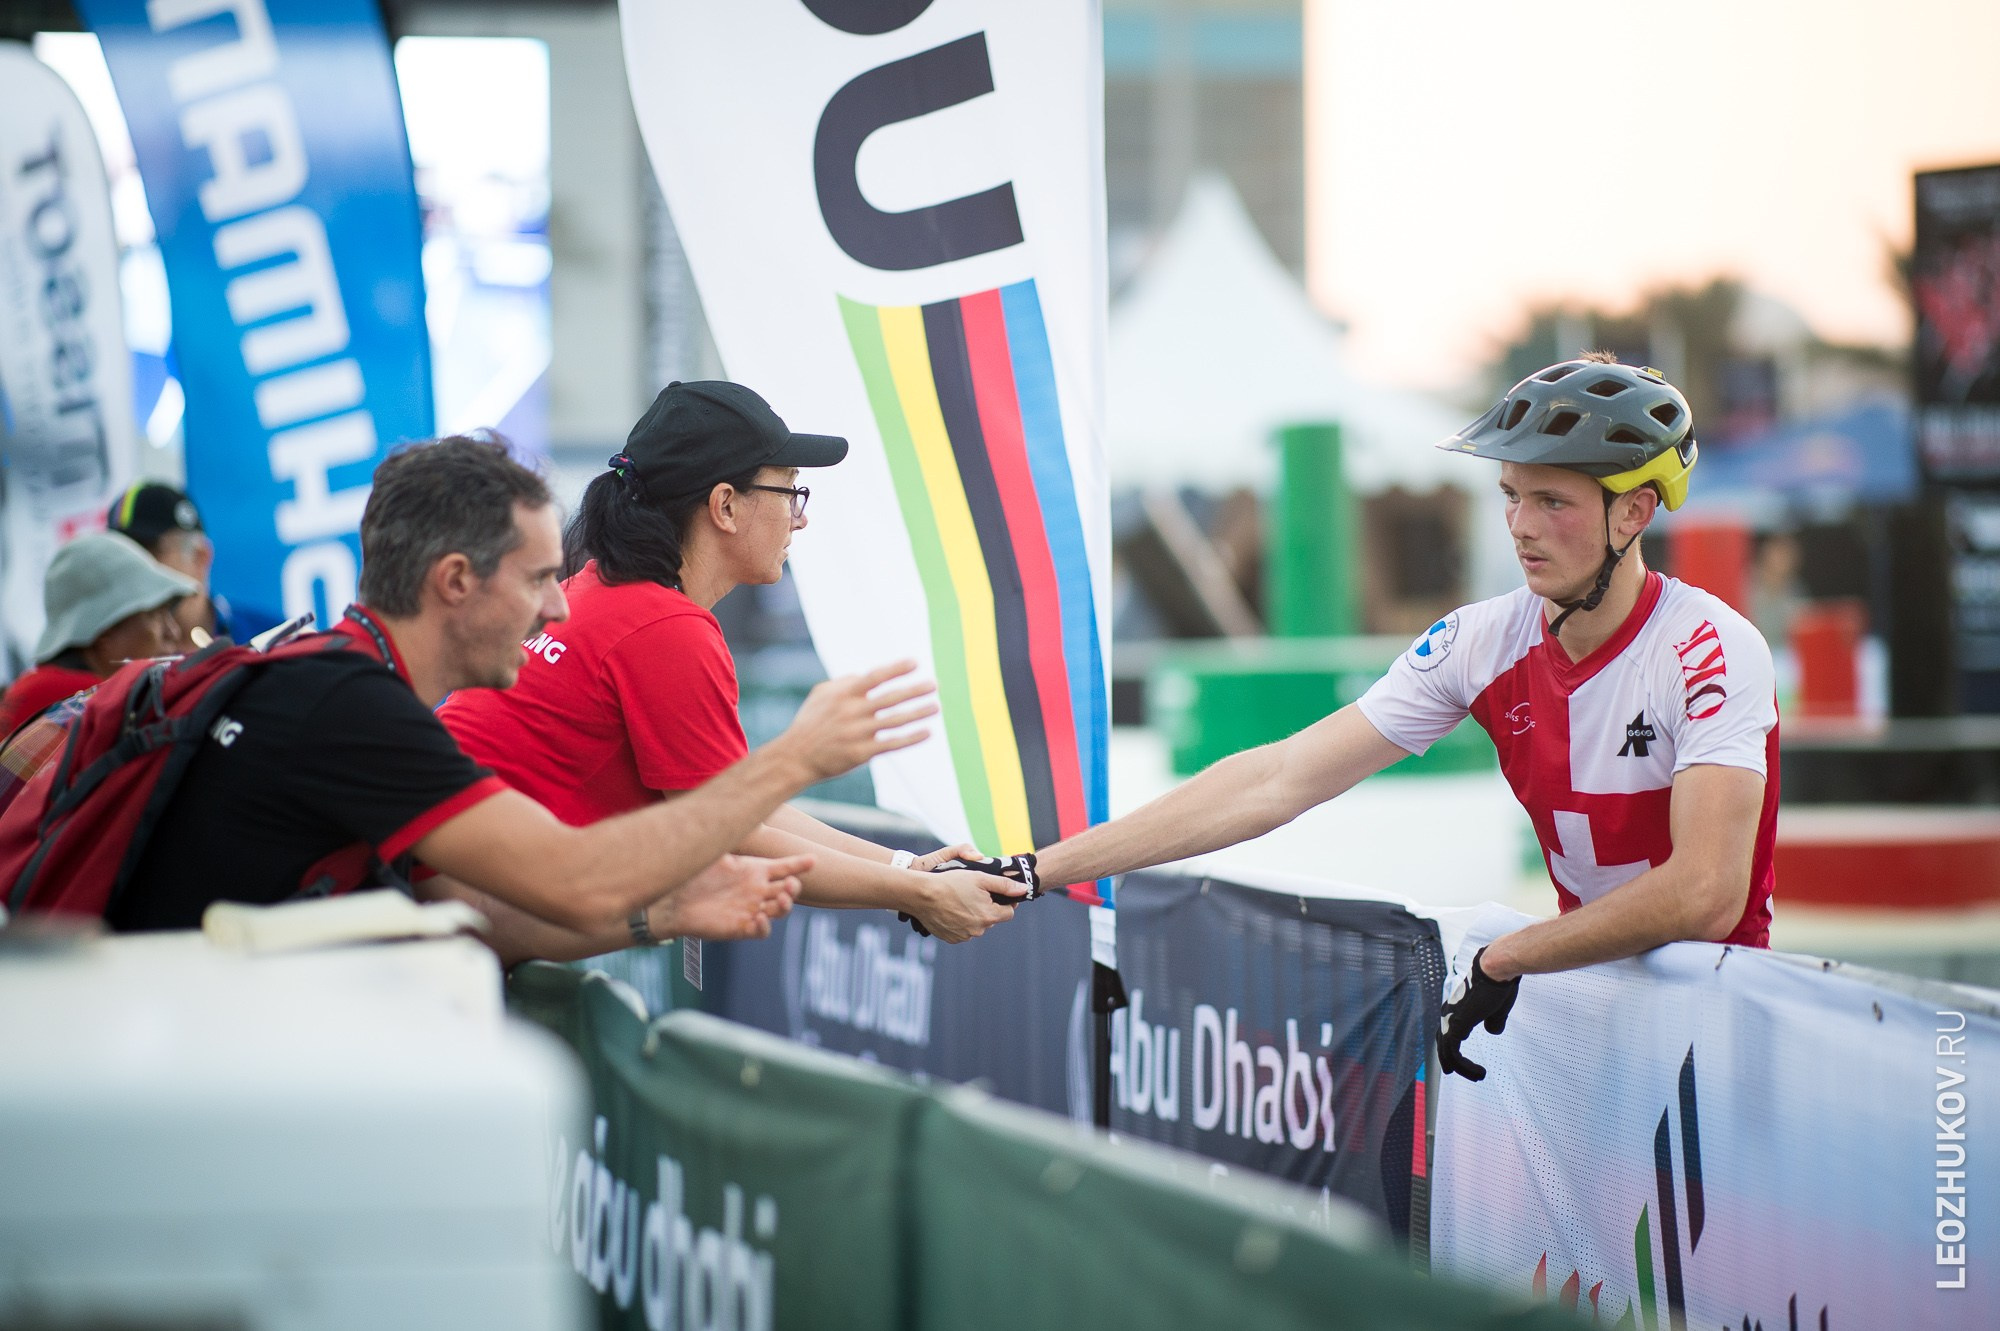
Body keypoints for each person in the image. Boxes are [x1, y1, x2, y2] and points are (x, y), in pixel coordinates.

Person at [1031, 355, 1779, 1081]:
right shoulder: (1481, 640)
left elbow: (1706, 894)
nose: (1520, 525)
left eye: (1553, 502)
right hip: (1593, 1013)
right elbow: (1276, 779)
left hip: (1721, 1030)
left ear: (1635, 512)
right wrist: (1039, 867)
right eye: (1510, 494)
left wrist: (1509, 954)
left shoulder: (1711, 648)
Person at [110, 435, 939, 964]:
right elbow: (573, 880)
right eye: (542, 579)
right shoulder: (356, 711)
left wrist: (666, 910)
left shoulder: (341, 680)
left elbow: (485, 915)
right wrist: (796, 759)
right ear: (457, 582)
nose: (558, 609)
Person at [440, 380, 1023, 944]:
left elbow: (738, 813)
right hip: (452, 927)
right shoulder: (668, 628)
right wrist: (912, 890)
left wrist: (909, 870)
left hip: (441, 907)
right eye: (790, 489)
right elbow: (732, 837)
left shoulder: (597, 591)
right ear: (724, 505)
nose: (801, 516)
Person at [0, 531, 194, 736]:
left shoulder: (36, 688)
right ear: (104, 632)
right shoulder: (97, 704)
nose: (173, 631)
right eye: (155, 615)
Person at [106, 481, 250, 647]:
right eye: (121, 558)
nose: (132, 572)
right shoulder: (108, 662)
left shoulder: (269, 640)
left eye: (147, 554)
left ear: (199, 557)